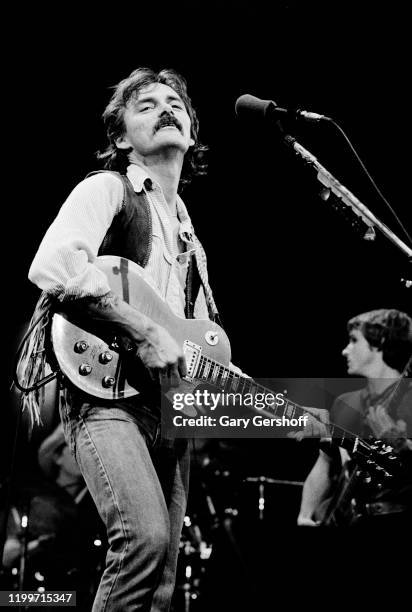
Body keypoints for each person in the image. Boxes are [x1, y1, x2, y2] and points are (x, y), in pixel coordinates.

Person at [24, 67, 235, 611]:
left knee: (163, 580)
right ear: (120, 137)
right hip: (102, 394)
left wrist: (305, 419)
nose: (166, 109)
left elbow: (192, 346)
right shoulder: (108, 188)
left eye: (175, 104)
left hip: (165, 410)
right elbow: (51, 265)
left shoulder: (192, 241)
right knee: (144, 540)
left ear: (191, 131)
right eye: (146, 105)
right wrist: (142, 330)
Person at [297, 308, 412, 528]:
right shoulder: (345, 402)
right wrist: (305, 514)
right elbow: (326, 464)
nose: (345, 350)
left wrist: (400, 446)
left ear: (380, 342)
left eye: (353, 341)